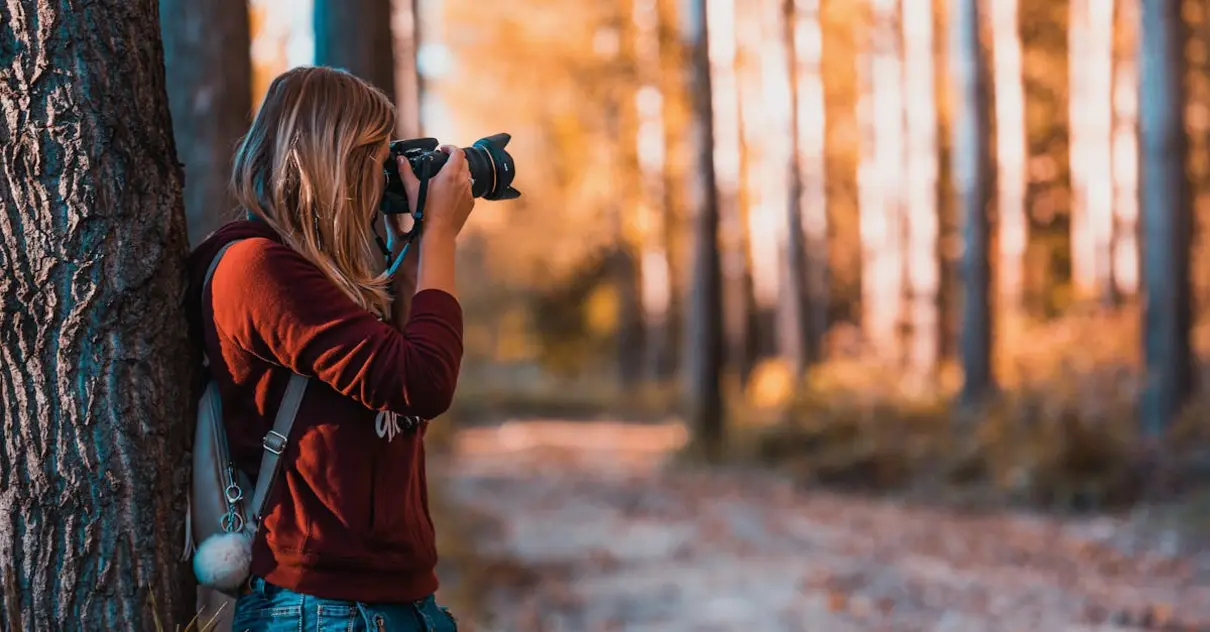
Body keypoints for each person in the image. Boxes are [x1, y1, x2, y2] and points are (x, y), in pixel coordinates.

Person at [186, 66, 472, 631]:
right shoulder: (257, 269)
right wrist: (438, 236)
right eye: (375, 157)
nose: (383, 175)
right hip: (321, 608)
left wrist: (407, 239)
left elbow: (399, 404)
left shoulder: (326, 279)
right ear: (333, 160)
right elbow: (424, 380)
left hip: (393, 601)